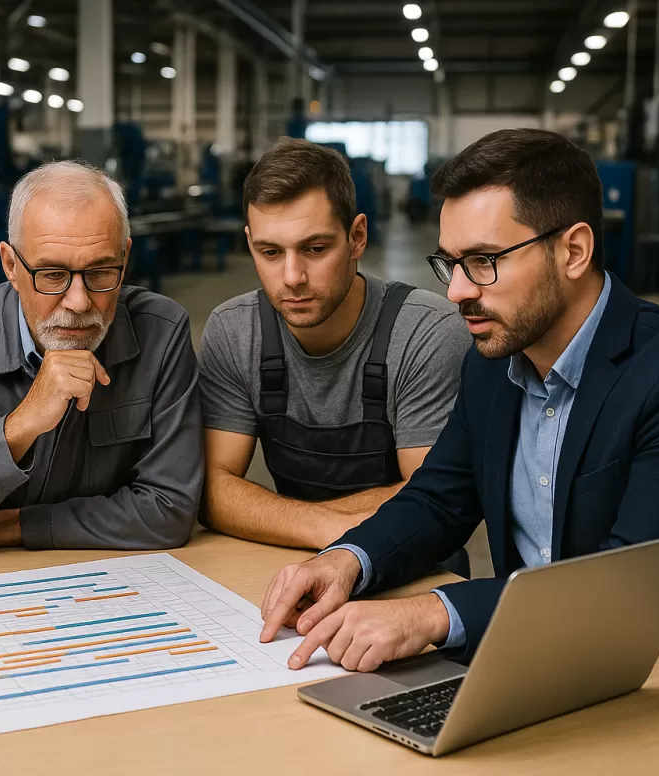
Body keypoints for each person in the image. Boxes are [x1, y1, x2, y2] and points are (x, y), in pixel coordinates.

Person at [259, 128, 659, 690]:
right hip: (535, 670)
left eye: (484, 261)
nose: (457, 292)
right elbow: (438, 498)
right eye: (451, 264)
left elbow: (626, 587)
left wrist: (433, 614)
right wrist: (344, 560)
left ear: (574, 250)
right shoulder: (494, 363)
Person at [0, 160, 201, 555]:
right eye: (51, 275)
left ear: (125, 257)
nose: (79, 302)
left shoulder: (162, 334)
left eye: (101, 272)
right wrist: (20, 426)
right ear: (11, 266)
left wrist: (19, 526)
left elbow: (171, 509)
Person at [199, 137, 472, 559]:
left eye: (315, 249)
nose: (292, 276)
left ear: (357, 237)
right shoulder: (234, 331)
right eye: (270, 252)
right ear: (250, 242)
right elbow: (212, 491)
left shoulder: (424, 332)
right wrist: (329, 529)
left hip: (414, 562)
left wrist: (275, 517)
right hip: (299, 558)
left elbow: (429, 499)